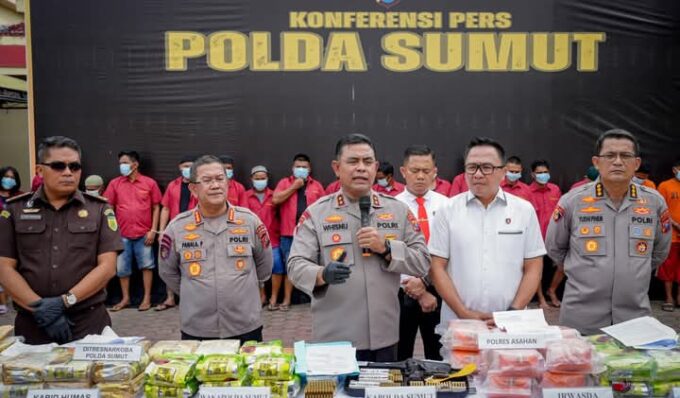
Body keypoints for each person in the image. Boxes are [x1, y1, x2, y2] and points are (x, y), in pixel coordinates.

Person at [288, 134, 430, 362]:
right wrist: (322, 274)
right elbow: (295, 265)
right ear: (336, 168)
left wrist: (386, 248)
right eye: (353, 162)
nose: (361, 168)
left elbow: (422, 260)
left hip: (385, 336)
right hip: (335, 338)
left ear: (375, 167)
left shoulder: (398, 211)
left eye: (367, 162)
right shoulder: (317, 214)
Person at [546, 129, 671, 335]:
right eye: (610, 155)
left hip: (634, 319)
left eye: (626, 156)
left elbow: (658, 253)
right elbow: (555, 248)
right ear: (596, 162)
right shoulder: (573, 201)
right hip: (581, 319)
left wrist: (629, 272)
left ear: (636, 163)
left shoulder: (654, 202)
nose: (618, 162)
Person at [0, 136, 123, 343]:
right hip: (34, 324)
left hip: (88, 324)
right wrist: (41, 309)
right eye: (58, 166)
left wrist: (63, 302)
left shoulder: (99, 209)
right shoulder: (15, 210)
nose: (68, 172)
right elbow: (4, 268)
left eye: (74, 166)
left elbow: (107, 267)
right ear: (40, 170)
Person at [429, 137, 545, 326]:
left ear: (503, 172)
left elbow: (533, 267)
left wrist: (512, 313)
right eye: (472, 167)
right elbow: (436, 267)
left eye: (487, 167)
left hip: (511, 326)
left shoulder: (524, 210)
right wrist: (463, 313)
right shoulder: (447, 211)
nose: (478, 174)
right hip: (459, 325)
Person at [159, 155, 272, 342]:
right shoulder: (177, 227)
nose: (215, 185)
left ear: (228, 183)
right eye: (207, 180)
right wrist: (195, 291)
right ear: (193, 189)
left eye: (220, 179)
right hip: (197, 329)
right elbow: (167, 272)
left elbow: (264, 267)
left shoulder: (250, 222)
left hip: (244, 325)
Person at [395, 145, 448, 361]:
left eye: (426, 171)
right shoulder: (391, 207)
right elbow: (387, 253)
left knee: (438, 355)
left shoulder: (447, 206)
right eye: (414, 170)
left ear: (435, 172)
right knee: (399, 354)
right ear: (403, 171)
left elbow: (450, 251)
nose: (420, 176)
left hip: (439, 289)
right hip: (400, 291)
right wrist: (414, 288)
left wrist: (426, 284)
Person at [104, 150, 162, 312]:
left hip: (144, 233)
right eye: (120, 163)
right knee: (122, 269)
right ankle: (125, 298)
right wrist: (112, 231)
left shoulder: (149, 183)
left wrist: (153, 230)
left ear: (135, 164)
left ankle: (147, 298)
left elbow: (156, 207)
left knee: (147, 266)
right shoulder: (115, 184)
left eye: (124, 163)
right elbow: (108, 207)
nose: (121, 166)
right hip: (121, 234)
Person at [273, 153, 325, 310]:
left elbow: (324, 208)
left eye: (304, 167)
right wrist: (294, 187)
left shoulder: (316, 186)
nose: (301, 169)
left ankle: (313, 298)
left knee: (313, 265)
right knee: (292, 266)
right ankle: (287, 300)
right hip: (288, 233)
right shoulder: (284, 182)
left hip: (311, 234)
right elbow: (276, 200)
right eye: (298, 167)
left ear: (309, 169)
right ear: (293, 168)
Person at [156, 156, 198, 311]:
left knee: (192, 263)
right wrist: (161, 231)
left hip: (195, 230)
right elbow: (165, 208)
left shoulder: (199, 185)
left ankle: (192, 298)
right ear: (180, 167)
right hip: (175, 230)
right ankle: (170, 297)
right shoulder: (173, 186)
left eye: (191, 166)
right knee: (171, 263)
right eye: (185, 166)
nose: (188, 169)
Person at [242, 165, 283, 309]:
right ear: (251, 179)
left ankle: (274, 298)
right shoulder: (245, 196)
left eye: (263, 178)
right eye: (257, 178)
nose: (260, 181)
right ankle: (261, 296)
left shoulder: (274, 195)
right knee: (257, 269)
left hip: (273, 238)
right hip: (254, 239)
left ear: (267, 179)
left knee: (277, 267)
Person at [528, 160, 564, 308]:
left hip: (555, 236)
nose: (543, 175)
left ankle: (552, 290)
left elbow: (561, 211)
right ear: (532, 174)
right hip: (536, 237)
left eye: (545, 172)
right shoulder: (527, 192)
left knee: (563, 265)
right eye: (539, 173)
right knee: (537, 269)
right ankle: (541, 298)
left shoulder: (555, 189)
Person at [656, 159, 680, 312]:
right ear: (675, 169)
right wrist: (676, 225)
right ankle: (669, 298)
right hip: (671, 234)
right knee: (668, 266)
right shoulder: (665, 186)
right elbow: (660, 210)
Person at [0, 166, 22, 315]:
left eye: (13, 178)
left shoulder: (20, 196)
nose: (9, 180)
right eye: (7, 176)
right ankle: (2, 303)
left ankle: (18, 299)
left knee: (16, 269)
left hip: (16, 237)